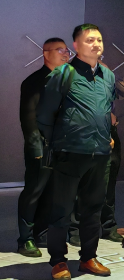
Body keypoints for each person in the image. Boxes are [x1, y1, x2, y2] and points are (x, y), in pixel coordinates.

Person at [36, 24, 117, 280]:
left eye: (99, 40)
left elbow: (105, 110)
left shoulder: (108, 75)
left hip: (100, 154)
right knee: (61, 210)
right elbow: (45, 115)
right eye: (90, 40)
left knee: (93, 209)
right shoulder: (63, 74)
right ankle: (58, 261)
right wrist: (58, 142)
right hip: (69, 153)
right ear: (76, 46)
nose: (96, 44)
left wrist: (106, 137)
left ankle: (88, 257)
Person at [17, 38, 70, 257]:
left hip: (62, 146)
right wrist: (36, 147)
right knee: (34, 191)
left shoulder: (68, 81)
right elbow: (28, 118)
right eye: (60, 50)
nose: (66, 54)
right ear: (46, 54)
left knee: (54, 192)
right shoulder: (34, 81)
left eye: (67, 50)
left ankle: (42, 232)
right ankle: (25, 239)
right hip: (42, 146)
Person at [69, 79, 124, 247]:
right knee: (84, 186)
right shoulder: (77, 77)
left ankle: (108, 227)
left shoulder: (106, 76)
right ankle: (76, 229)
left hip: (109, 133)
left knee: (109, 185)